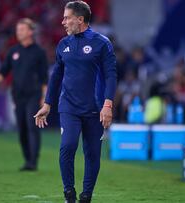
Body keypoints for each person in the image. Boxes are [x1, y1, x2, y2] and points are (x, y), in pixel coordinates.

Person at [34, 1, 117, 203]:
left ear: (80, 19)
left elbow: (111, 75)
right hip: (69, 107)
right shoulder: (63, 44)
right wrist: (47, 104)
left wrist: (107, 105)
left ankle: (86, 195)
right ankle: (69, 193)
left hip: (95, 108)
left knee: (92, 154)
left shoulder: (101, 43)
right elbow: (56, 76)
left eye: (67, 17)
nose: (63, 22)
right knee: (68, 146)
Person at [0, 18, 48, 171]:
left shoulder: (39, 52)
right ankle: (27, 160)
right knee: (21, 128)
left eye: (22, 29)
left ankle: (33, 161)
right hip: (17, 95)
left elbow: (44, 78)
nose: (18, 32)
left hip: (33, 94)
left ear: (30, 32)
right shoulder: (13, 51)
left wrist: (44, 98)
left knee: (31, 125)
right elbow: (3, 71)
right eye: (18, 30)